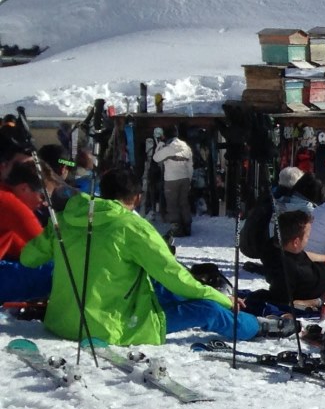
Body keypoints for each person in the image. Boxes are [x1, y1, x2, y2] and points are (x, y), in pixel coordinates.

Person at [18, 167, 239, 345]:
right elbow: (175, 278)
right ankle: (256, 326)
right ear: (137, 197)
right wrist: (223, 298)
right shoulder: (133, 227)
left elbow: (28, 258)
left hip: (62, 322)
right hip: (111, 328)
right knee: (210, 310)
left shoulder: (65, 219)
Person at [0, 162, 54, 303]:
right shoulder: (10, 204)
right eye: (43, 196)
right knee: (56, 269)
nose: (44, 203)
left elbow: (21, 247)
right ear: (24, 188)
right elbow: (48, 247)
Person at [153, 127, 194, 237]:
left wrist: (160, 144)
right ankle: (187, 226)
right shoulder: (185, 146)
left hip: (171, 179)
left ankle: (177, 228)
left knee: (172, 204)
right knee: (184, 202)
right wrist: (189, 179)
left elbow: (156, 158)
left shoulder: (168, 147)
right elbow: (190, 165)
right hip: (185, 178)